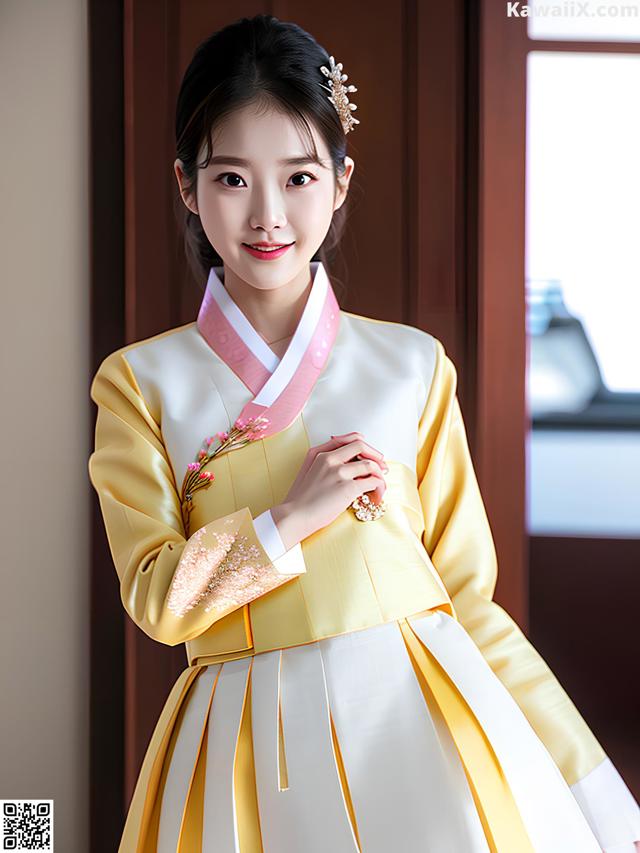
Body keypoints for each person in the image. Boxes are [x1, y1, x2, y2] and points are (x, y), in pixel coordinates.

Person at [88, 13, 640, 852]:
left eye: (300, 177)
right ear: (186, 184)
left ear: (341, 182)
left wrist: (595, 790)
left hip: (418, 720)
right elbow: (159, 601)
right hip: (243, 741)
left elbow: (472, 603)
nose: (268, 215)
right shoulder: (139, 382)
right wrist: (289, 517)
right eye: (232, 179)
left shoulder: (412, 365)